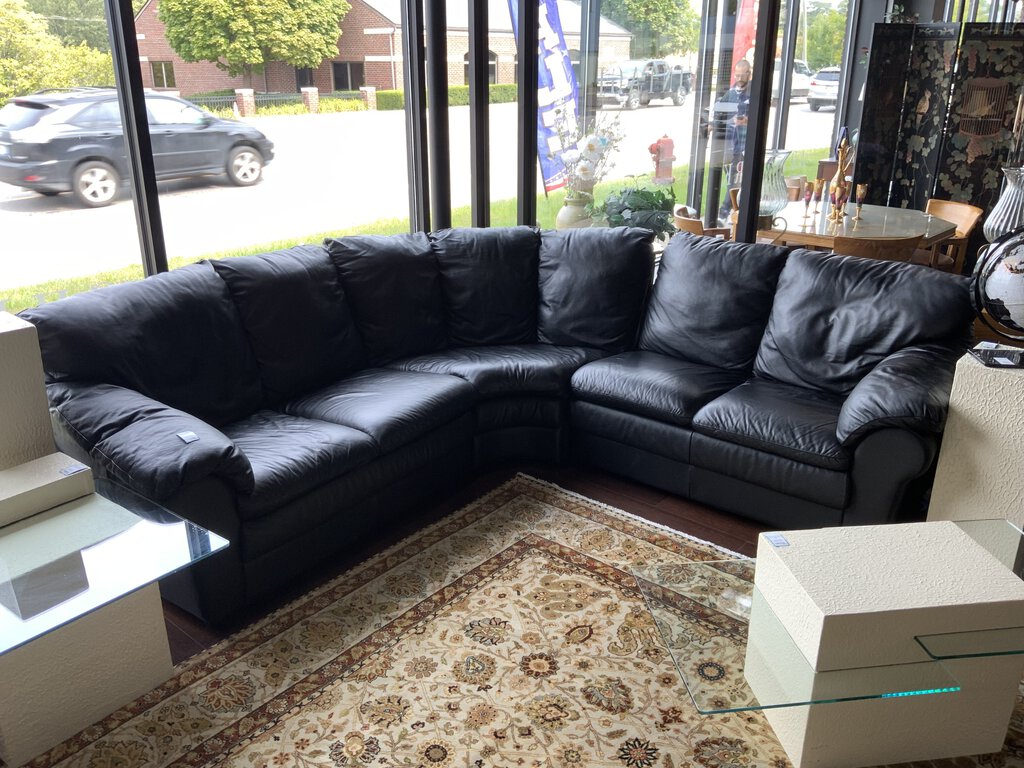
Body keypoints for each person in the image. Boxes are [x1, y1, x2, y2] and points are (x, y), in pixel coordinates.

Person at [715, 59, 752, 222]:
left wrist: (746, 120)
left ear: (749, 74)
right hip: (728, 144)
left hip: (743, 145)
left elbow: (760, 116)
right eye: (737, 74)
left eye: (742, 75)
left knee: (734, 180)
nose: (739, 78)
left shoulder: (753, 93)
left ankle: (724, 213)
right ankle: (735, 212)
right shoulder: (730, 93)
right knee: (732, 179)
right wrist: (713, 124)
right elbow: (718, 113)